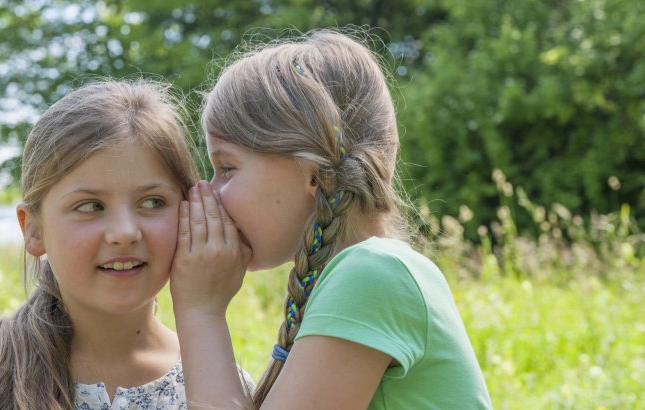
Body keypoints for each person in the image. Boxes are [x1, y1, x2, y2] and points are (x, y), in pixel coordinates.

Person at [171, 29, 493, 409]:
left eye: (227, 167)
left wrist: (201, 313)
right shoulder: (370, 273)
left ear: (311, 172)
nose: (211, 193)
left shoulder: (372, 274)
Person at [0, 80, 201, 409]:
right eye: (91, 206)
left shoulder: (213, 383)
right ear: (33, 229)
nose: (124, 232)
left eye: (152, 202)